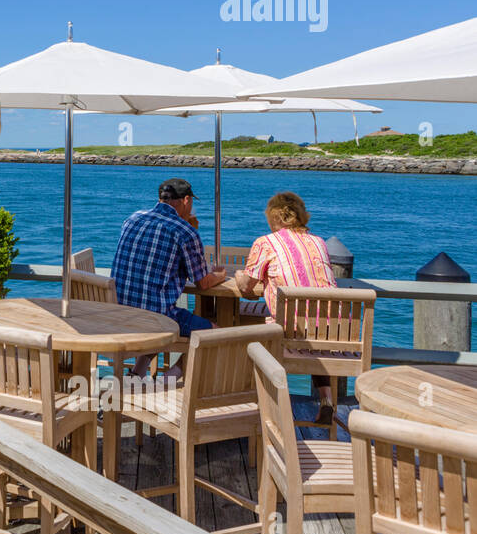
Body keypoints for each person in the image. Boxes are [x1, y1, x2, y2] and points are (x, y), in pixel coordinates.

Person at [234, 191, 339, 425]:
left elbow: (246, 288)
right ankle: (327, 400)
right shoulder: (318, 241)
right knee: (311, 323)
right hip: (330, 331)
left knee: (243, 334)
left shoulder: (265, 243)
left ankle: (262, 405)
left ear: (274, 217)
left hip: (289, 334)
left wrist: (239, 274)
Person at [111, 178, 228, 376]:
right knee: (215, 333)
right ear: (186, 200)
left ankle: (136, 374)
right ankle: (171, 376)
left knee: (156, 307)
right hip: (154, 317)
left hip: (119, 312)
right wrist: (220, 274)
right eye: (191, 203)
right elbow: (204, 283)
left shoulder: (133, 218)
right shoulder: (184, 231)